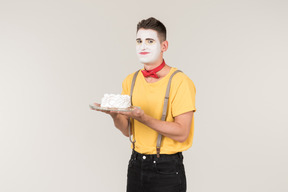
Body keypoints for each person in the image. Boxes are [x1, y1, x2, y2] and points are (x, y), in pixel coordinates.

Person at [93, 17, 196, 192]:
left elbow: (182, 133)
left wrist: (144, 118)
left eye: (150, 41)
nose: (143, 46)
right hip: (136, 164)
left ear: (164, 46)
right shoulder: (130, 80)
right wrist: (114, 114)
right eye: (139, 41)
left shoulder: (180, 81)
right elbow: (127, 131)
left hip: (167, 169)